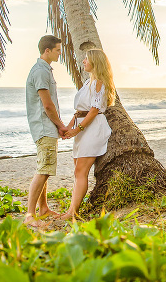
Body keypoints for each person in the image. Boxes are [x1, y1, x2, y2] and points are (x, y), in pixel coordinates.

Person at [59, 48, 114, 220]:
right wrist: (69, 127)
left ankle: (72, 213)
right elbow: (80, 111)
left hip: (93, 128)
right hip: (83, 127)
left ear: (95, 62)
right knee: (78, 171)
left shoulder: (99, 82)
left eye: (86, 59)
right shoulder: (88, 82)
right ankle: (71, 210)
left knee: (81, 172)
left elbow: (93, 111)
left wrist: (77, 129)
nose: (83, 61)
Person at [24, 35, 69, 227]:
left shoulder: (44, 70)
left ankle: (43, 208)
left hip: (44, 126)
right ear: (47, 50)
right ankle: (29, 215)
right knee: (43, 170)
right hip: (44, 126)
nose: (60, 53)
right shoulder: (41, 72)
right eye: (58, 50)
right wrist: (61, 125)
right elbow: (48, 105)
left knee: (45, 168)